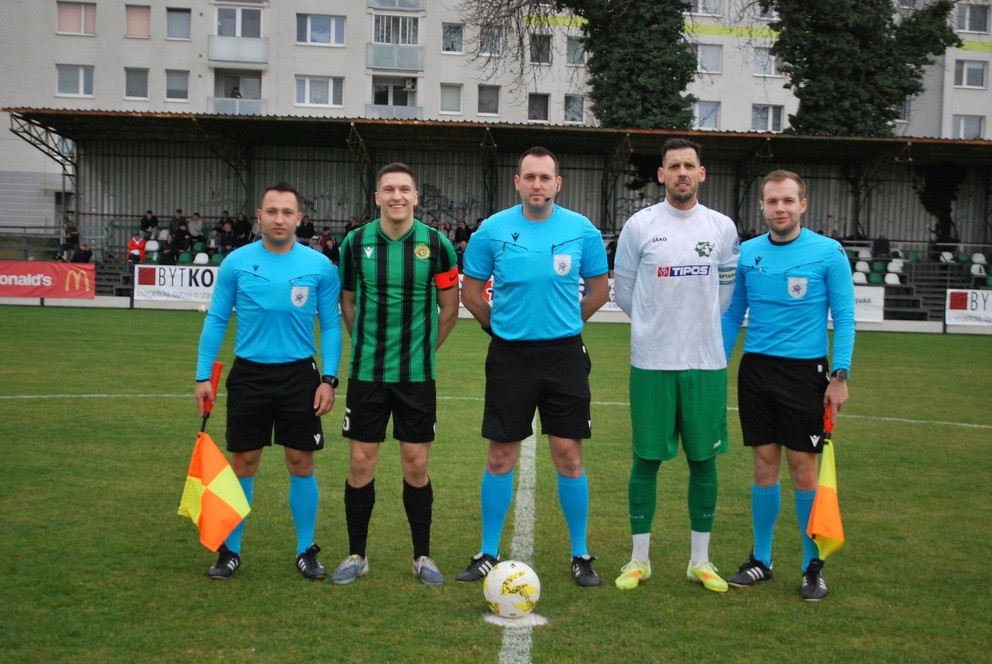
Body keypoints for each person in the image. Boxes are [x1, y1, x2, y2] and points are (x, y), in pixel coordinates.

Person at [456, 146, 610, 587]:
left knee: (569, 455)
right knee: (501, 454)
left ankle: (581, 553)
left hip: (564, 356)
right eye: (530, 177)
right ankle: (487, 551)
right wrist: (501, 329)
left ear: (557, 184)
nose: (537, 184)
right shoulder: (492, 230)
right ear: (517, 183)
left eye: (546, 177)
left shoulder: (581, 231)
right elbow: (471, 293)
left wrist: (565, 325)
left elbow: (598, 291)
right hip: (510, 357)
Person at [194, 181, 342, 581]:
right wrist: (202, 375)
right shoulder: (236, 263)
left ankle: (306, 550)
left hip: (300, 377)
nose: (280, 219)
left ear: (299, 219)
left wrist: (328, 379)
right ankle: (230, 551)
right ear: (259, 216)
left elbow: (330, 325)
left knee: (301, 463)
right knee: (243, 462)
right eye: (272, 211)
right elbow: (216, 319)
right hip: (250, 376)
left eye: (287, 212)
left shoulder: (320, 267)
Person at [611, 137, 740, 593]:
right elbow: (624, 292)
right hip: (652, 361)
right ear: (661, 174)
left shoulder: (722, 228)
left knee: (703, 461)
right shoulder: (640, 226)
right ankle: (638, 559)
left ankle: (700, 562)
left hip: (705, 362)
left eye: (690, 165)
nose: (682, 172)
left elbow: (725, 295)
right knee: (646, 458)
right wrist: (654, 325)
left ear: (702, 173)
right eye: (673, 166)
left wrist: (696, 327)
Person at [721, 170, 855, 602]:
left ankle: (812, 566)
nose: (779, 209)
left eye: (787, 201)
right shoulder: (748, 253)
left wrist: (840, 375)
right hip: (757, 371)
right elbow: (732, 315)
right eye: (772, 202)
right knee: (763, 464)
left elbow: (846, 317)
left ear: (803, 205)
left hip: (805, 374)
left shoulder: (828, 253)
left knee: (803, 467)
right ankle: (761, 559)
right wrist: (716, 362)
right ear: (762, 206)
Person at [332, 163, 459, 587]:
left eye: (405, 188)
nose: (397, 196)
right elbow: (347, 303)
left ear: (416, 196)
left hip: (416, 377)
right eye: (389, 189)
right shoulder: (354, 243)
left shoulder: (438, 246)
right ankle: (357, 555)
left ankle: (422, 556)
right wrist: (366, 344)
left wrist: (421, 350)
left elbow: (449, 309)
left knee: (416, 465)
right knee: (360, 463)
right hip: (367, 375)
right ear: (377, 196)